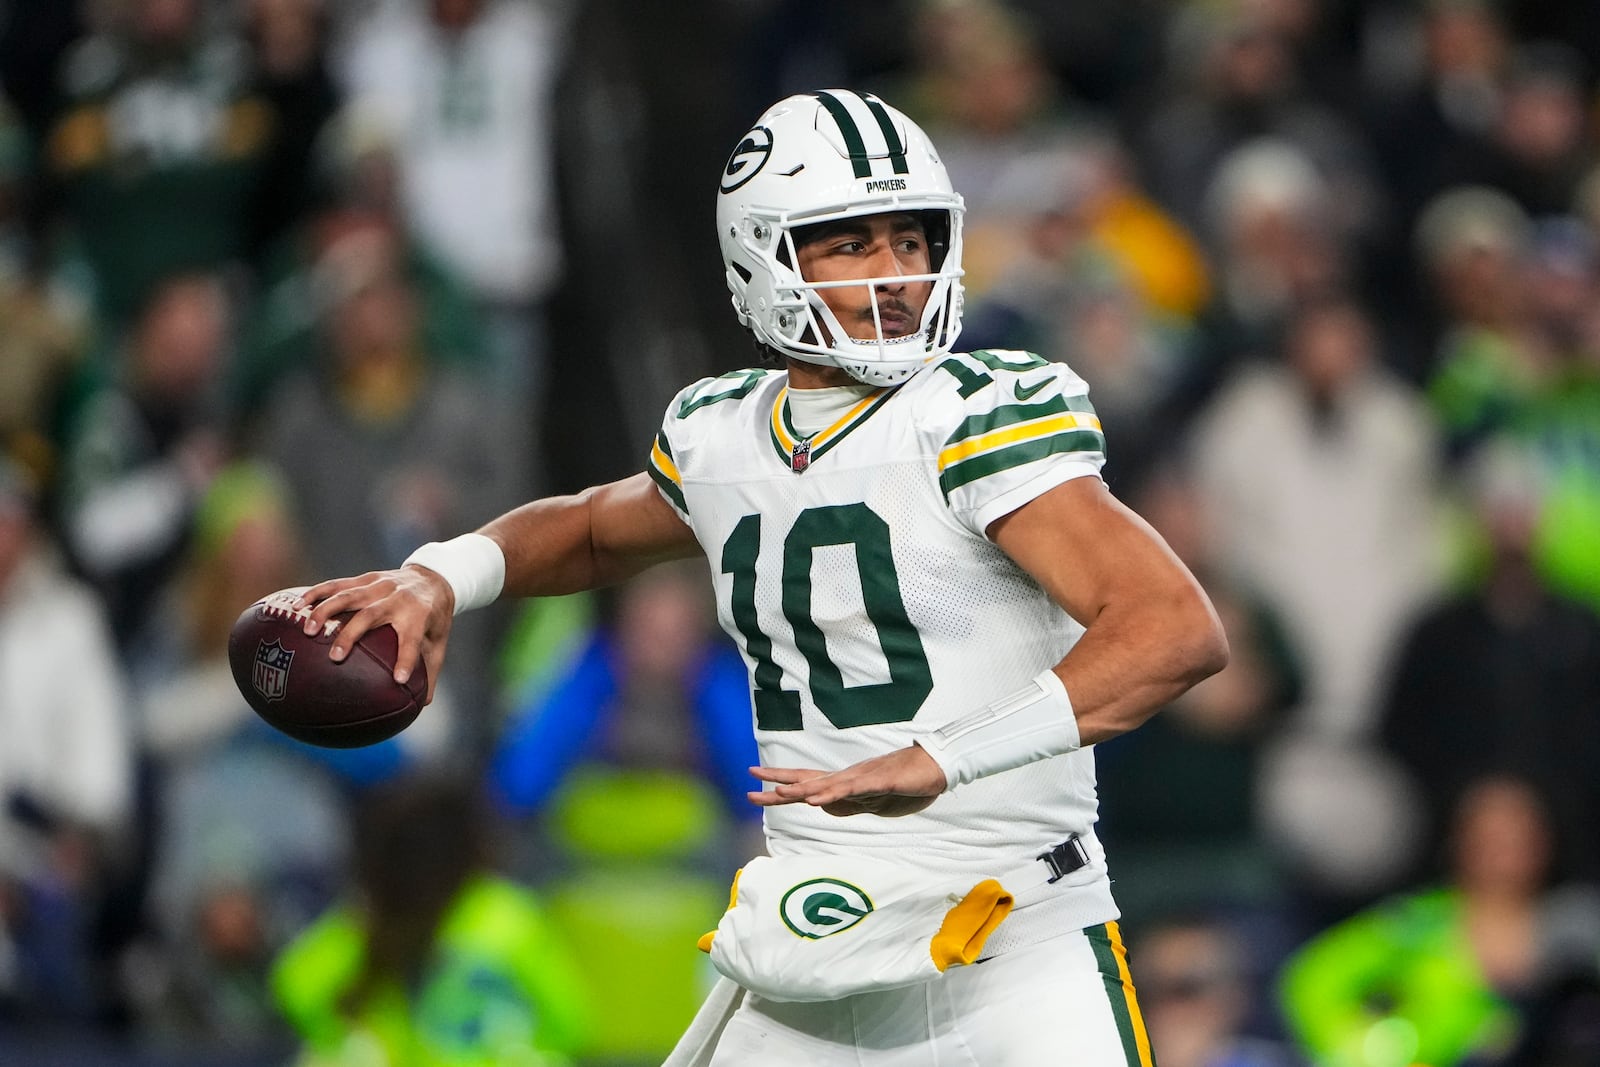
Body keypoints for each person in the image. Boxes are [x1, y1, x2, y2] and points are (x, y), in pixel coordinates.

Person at [296, 89, 1227, 1062]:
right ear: (762, 254)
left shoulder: (975, 413)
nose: (896, 273)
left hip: (1011, 931)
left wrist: (944, 753)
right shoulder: (720, 433)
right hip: (812, 934)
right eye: (853, 243)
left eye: (910, 240)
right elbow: (589, 532)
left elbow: (1171, 626)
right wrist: (444, 574)